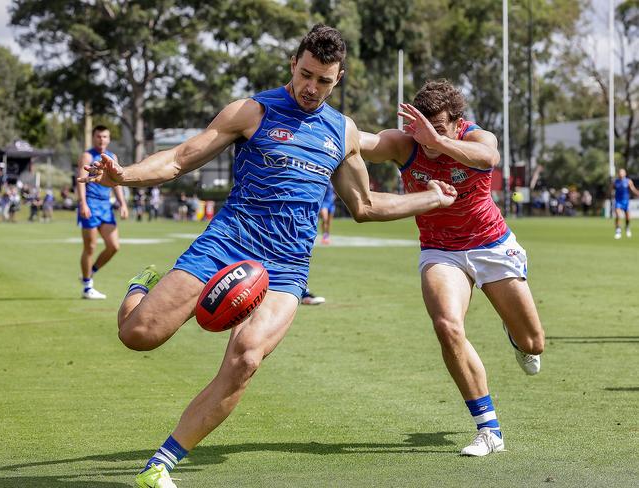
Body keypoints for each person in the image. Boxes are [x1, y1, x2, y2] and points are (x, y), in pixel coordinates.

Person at [80, 25, 457, 488]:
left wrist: (431, 200)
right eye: (305, 75)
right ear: (292, 65)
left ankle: (161, 464)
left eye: (323, 81)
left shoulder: (342, 131)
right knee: (138, 334)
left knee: (246, 358)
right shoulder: (251, 111)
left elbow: (365, 206)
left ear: (338, 80)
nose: (311, 88)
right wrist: (125, 177)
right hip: (229, 241)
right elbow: (180, 158)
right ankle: (144, 282)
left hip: (286, 267)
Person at [359, 79, 545, 457]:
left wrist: (440, 141)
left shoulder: (478, 137)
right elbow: (355, 141)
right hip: (440, 251)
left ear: (458, 122)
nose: (426, 138)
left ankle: (515, 334)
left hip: (492, 245)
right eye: (421, 129)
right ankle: (488, 430)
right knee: (447, 325)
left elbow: (488, 160)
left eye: (438, 128)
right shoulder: (406, 143)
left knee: (533, 344)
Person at [77, 125, 129, 299]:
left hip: (106, 207)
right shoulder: (87, 155)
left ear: (109, 139)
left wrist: (122, 203)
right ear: (93, 137)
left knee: (114, 246)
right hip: (90, 205)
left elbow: (116, 183)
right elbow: (80, 181)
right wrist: (83, 203)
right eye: (99, 136)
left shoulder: (112, 157)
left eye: (105, 136)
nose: (102, 139)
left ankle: (90, 271)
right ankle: (87, 287)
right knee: (90, 247)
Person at [612, 168, 639, 239]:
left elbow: (633, 189)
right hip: (618, 201)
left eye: (622, 172)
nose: (620, 174)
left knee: (628, 217)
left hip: (626, 201)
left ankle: (627, 227)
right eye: (619, 172)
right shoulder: (615, 182)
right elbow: (611, 189)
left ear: (625, 174)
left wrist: (637, 193)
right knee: (618, 215)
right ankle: (618, 230)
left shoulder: (628, 181)